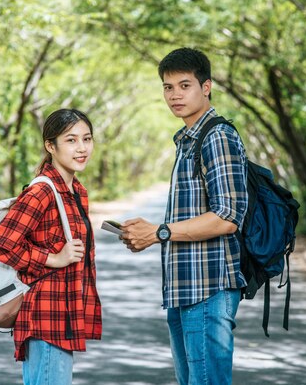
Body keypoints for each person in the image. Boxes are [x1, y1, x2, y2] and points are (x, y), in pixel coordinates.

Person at [121, 47, 249, 385]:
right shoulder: (187, 141)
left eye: (184, 85)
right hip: (183, 287)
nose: (175, 95)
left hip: (208, 287)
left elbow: (228, 216)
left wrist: (159, 233)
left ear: (205, 87)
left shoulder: (217, 136)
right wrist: (147, 234)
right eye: (167, 87)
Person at [0, 109, 102, 385]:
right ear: (51, 146)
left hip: (63, 314)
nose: (82, 148)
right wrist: (53, 258)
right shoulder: (42, 191)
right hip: (45, 316)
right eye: (71, 140)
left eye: (87, 139)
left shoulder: (76, 191)